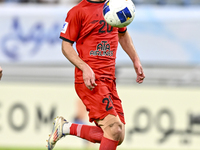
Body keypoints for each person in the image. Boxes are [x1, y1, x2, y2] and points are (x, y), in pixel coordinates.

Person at [47, 0, 145, 150]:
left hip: (109, 80)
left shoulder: (114, 6)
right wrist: (84, 67)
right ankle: (65, 128)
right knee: (114, 129)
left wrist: (135, 60)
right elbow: (66, 46)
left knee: (118, 135)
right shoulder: (78, 11)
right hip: (90, 80)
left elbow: (123, 35)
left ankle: (65, 128)